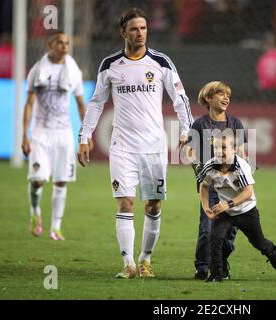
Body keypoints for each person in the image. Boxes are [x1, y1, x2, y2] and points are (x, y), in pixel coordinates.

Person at [77, 8, 193, 279]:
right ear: (123, 33)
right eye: (134, 29)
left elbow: (181, 99)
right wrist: (84, 137)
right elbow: (96, 104)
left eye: (143, 28)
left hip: (153, 146)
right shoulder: (110, 65)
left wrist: (187, 132)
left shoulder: (161, 62)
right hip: (123, 146)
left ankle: (145, 260)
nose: (140, 33)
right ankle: (128, 263)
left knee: (152, 205)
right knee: (125, 202)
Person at [22, 31, 88, 241]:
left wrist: (85, 133)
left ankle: (56, 228)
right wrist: (24, 134)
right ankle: (35, 212)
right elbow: (30, 103)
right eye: (60, 42)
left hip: (64, 133)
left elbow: (80, 103)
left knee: (61, 181)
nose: (65, 46)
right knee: (38, 180)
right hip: (41, 132)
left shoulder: (73, 70)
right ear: (50, 45)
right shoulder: (37, 70)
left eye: (67, 43)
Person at [197, 135, 276, 282]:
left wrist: (228, 204)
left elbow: (248, 192)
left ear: (234, 150)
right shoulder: (210, 166)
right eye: (216, 147)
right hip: (226, 212)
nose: (219, 151)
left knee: (258, 243)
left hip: (246, 211)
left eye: (224, 147)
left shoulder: (240, 166)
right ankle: (217, 274)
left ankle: (272, 253)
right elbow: (204, 186)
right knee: (215, 239)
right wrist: (206, 207)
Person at [185, 81, 247, 280]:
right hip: (210, 188)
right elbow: (191, 153)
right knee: (207, 228)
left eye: (228, 94)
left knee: (230, 232)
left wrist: (243, 171)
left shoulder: (235, 124)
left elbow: (243, 154)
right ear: (209, 98)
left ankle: (220, 262)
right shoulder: (199, 124)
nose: (226, 97)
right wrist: (201, 172)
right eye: (221, 94)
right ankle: (202, 267)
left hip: (232, 190)